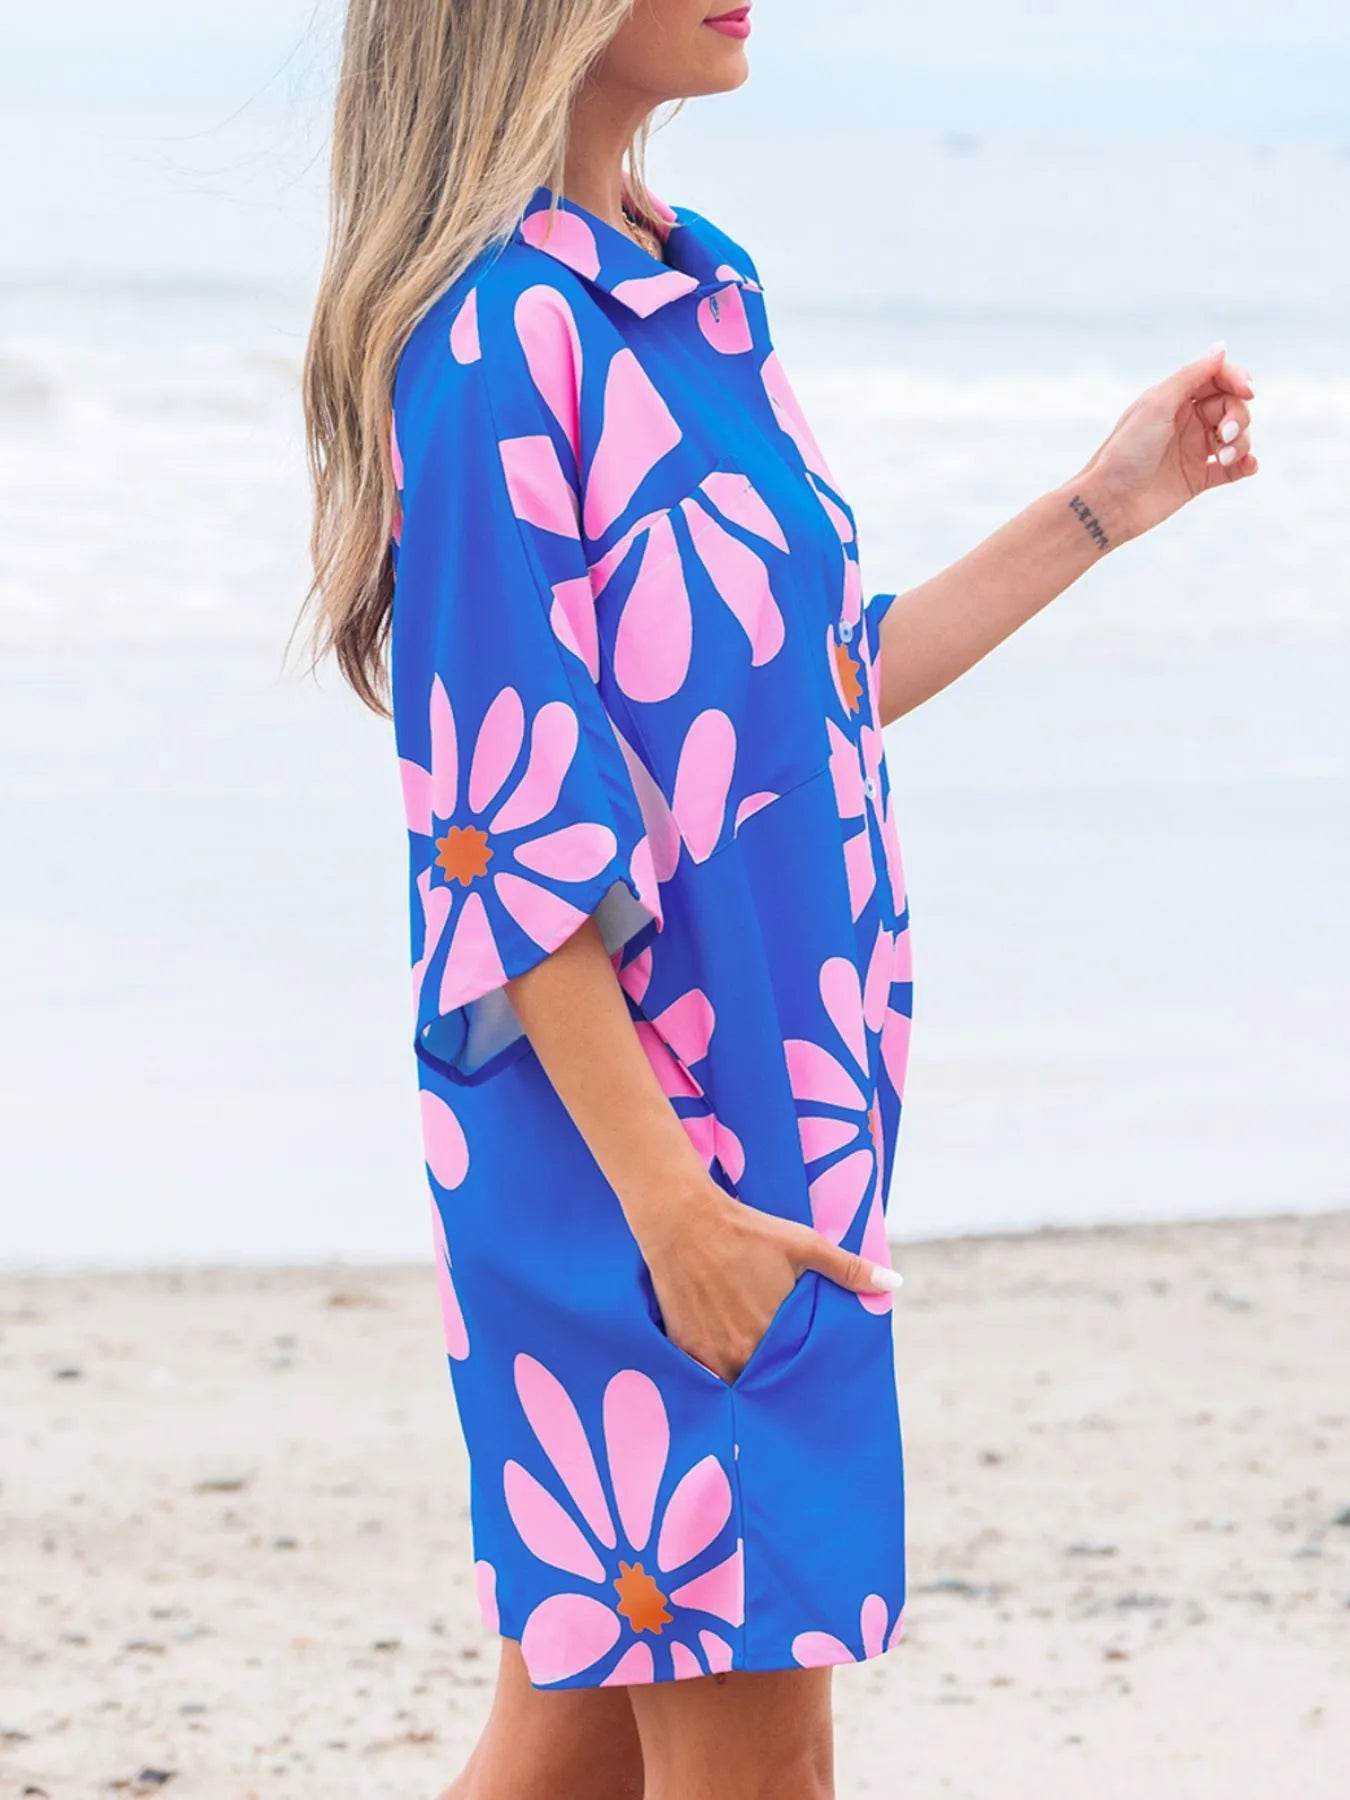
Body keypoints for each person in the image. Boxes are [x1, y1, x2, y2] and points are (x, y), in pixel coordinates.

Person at [301, 4, 1258, 1794]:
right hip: (652, 1167)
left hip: (763, 1139)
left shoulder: (692, 294)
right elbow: (501, 831)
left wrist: (1100, 507)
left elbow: (799, 694)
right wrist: (679, 1217)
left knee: (568, 1759)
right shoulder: (496, 342)